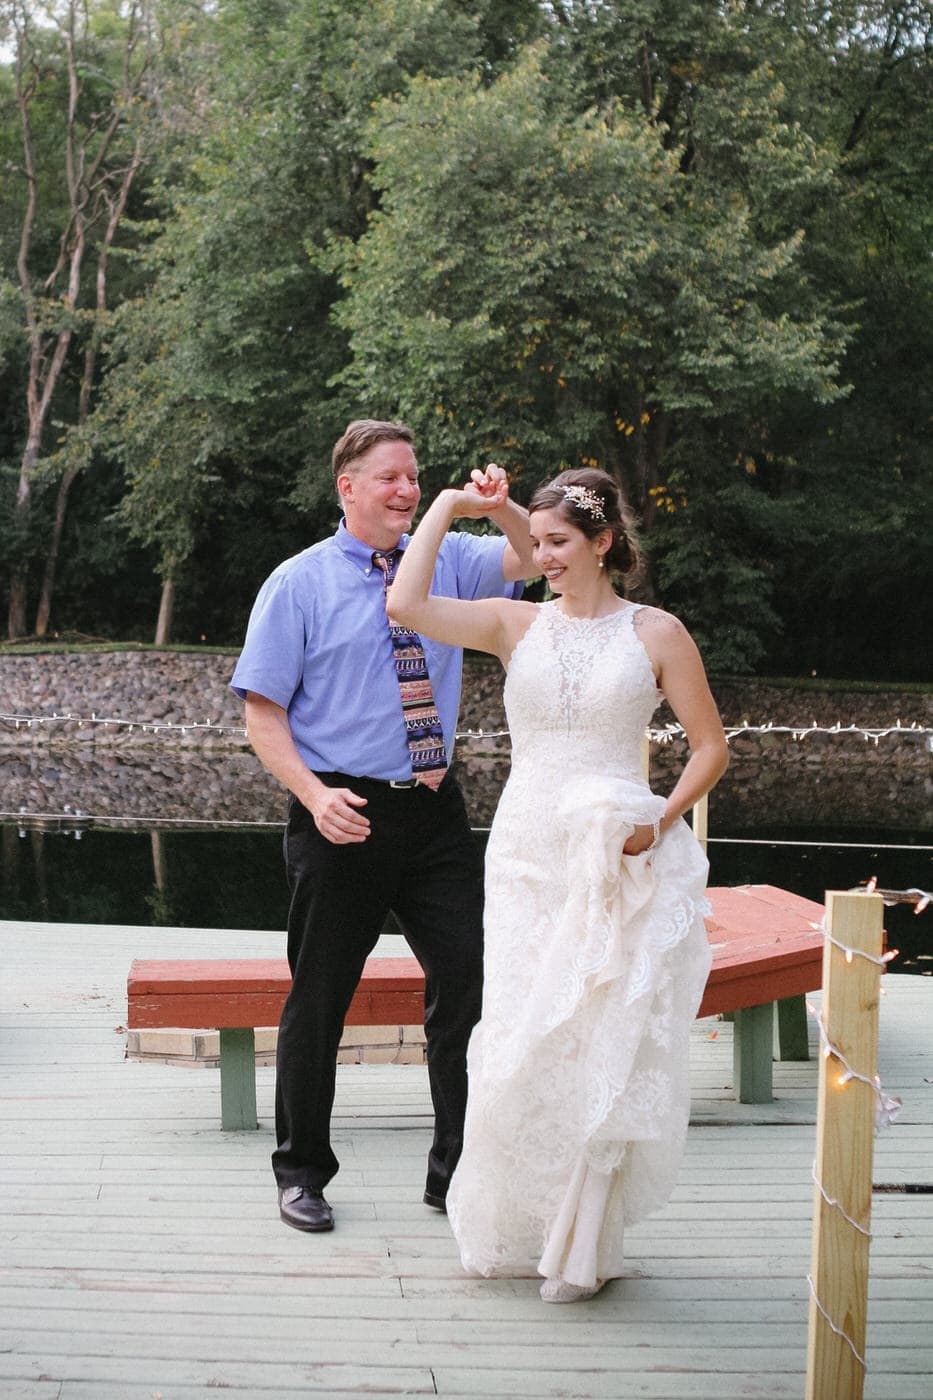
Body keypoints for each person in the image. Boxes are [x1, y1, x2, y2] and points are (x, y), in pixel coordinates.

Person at [388, 466, 729, 1302]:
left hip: (611, 854)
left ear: (603, 543)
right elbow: (404, 606)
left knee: (594, 1034)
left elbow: (711, 746)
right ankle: (511, 1224)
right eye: (534, 542)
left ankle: (582, 1242)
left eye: (556, 543)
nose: (539, 556)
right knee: (514, 1033)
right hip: (524, 850)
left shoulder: (656, 633)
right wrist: (446, 507)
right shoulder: (515, 625)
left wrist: (660, 820)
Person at [230, 419, 537, 1233]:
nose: (406, 489)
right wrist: (312, 795)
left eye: (413, 476)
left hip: (435, 811)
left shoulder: (448, 558)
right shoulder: (296, 583)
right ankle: (300, 1172)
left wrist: (497, 506)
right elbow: (263, 716)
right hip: (342, 811)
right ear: (349, 488)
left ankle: (456, 1172)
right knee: (320, 997)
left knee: (469, 982)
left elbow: (532, 560)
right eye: (390, 477)